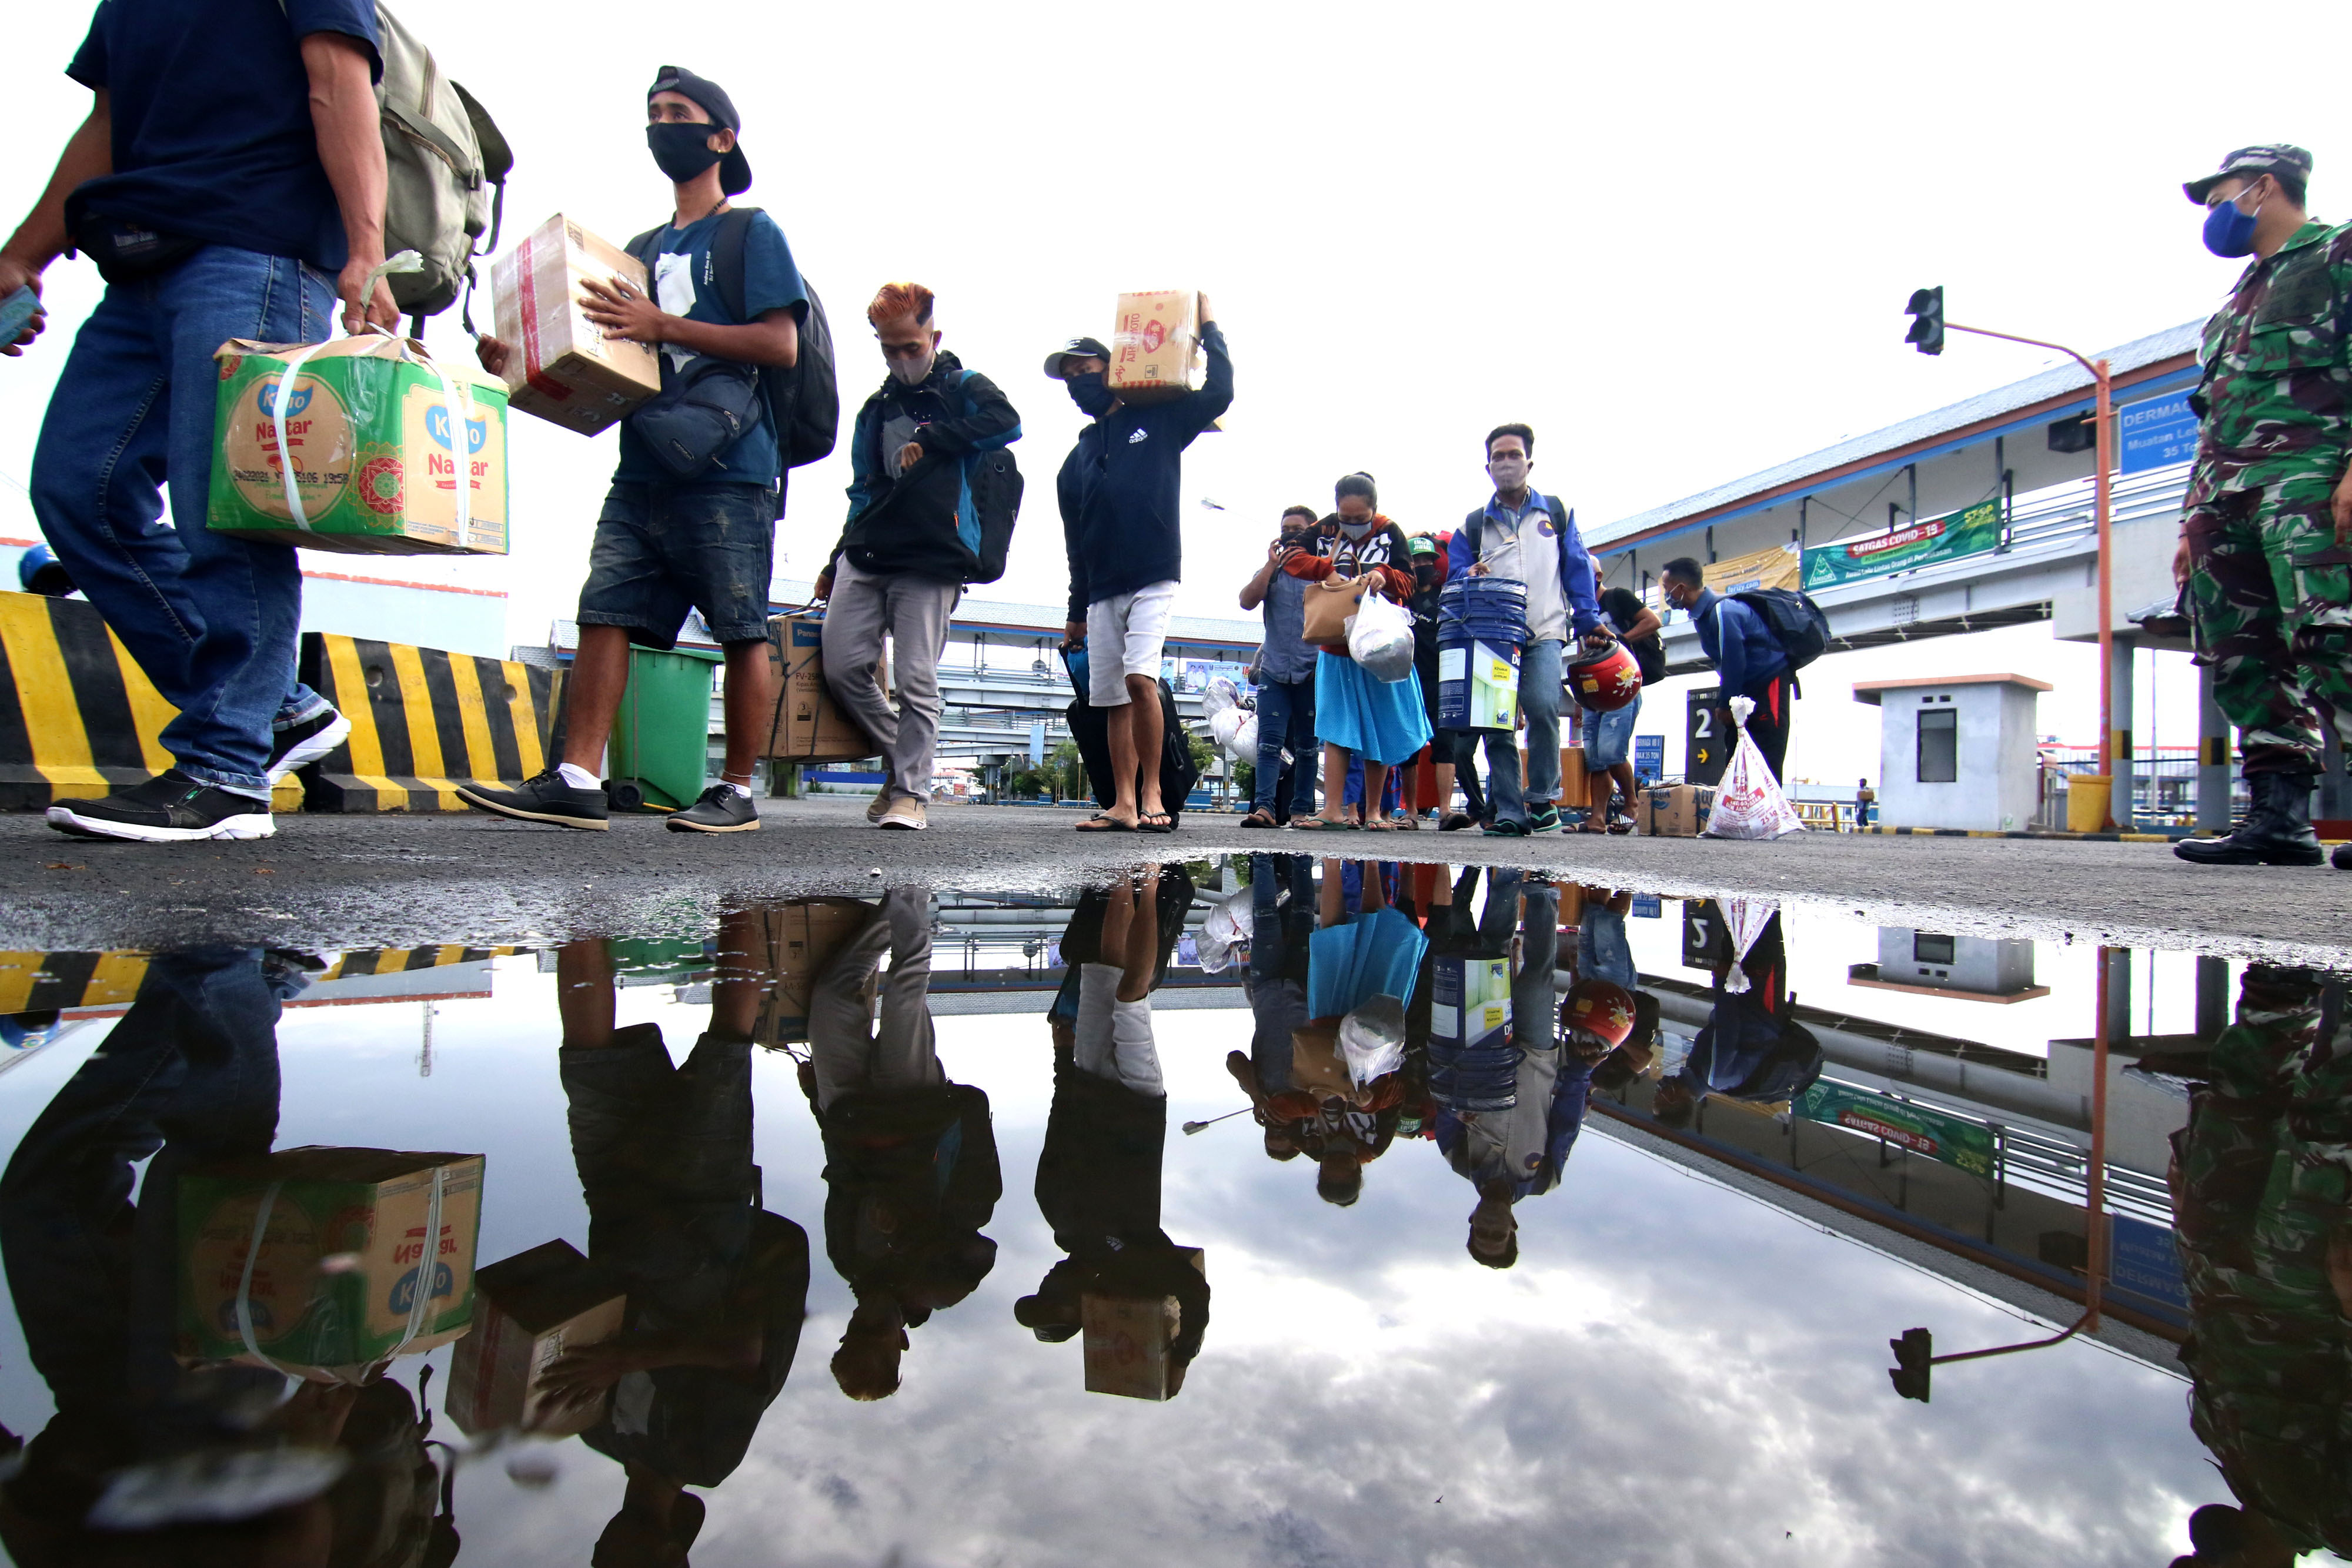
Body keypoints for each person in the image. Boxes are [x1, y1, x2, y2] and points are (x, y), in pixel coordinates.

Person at [8, 1, 388, 842]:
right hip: (138, 261)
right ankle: (273, 709)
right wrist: (20, 256)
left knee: (226, 509)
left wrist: (366, 247)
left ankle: (225, 768)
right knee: (80, 488)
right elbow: (107, 126)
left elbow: (339, 83)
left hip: (256, 251)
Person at [465, 66, 806, 835]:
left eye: (677, 113)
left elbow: (779, 343)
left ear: (720, 139)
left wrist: (664, 325)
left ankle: (738, 790)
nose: (661, 125)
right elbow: (604, 359)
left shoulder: (751, 232)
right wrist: (520, 357)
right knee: (605, 610)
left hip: (731, 469)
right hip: (644, 462)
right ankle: (578, 778)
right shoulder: (639, 249)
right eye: (653, 113)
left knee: (740, 625)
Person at [543, 914, 811, 1560]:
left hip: (619, 1212)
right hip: (703, 1219)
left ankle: (581, 903)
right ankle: (741, 895)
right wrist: (625, 1361)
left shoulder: (595, 1434)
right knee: (727, 1041)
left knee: (588, 1058)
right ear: (674, 1550)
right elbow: (741, 1352)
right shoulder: (707, 1456)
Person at [2167, 146, 2352, 870]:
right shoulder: (2232, 304)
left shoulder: (2339, 254)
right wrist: (2191, 519)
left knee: (2331, 635)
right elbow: (2211, 420)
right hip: (2224, 499)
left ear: (2263, 188)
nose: (2213, 216)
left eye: (2219, 198)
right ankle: (2279, 818)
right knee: (2241, 656)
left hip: (2309, 480)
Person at [813, 282, 1020, 831]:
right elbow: (862, 489)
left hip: (932, 558)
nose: (902, 359)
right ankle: (902, 759)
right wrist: (835, 559)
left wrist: (934, 440)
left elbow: (1009, 423)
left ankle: (910, 793)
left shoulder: (963, 387)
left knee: (915, 679)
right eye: (889, 348)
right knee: (841, 666)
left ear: (934, 337)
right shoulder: (876, 410)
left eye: (911, 346)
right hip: (868, 551)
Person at [796, 889, 1000, 1400]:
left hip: (850, 1113)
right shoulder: (941, 1285)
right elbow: (980, 1227)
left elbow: (840, 1173)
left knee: (830, 996)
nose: (862, 1325)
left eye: (851, 1335)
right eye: (874, 1337)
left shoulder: (848, 1258)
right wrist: (915, 1243)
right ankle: (911, 888)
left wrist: (818, 1105)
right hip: (917, 1113)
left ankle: (893, 910)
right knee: (905, 994)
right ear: (900, 1343)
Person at [1018, 869, 1211, 1396]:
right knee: (1130, 996)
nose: (1048, 1284)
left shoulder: (1053, 1208)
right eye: (1054, 1300)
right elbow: (1194, 1292)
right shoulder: (1133, 1265)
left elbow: (1059, 1127)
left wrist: (1062, 1060)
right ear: (1081, 1308)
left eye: (1039, 1292)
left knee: (1102, 972)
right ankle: (1149, 885)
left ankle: (1124, 876)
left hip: (1088, 1079)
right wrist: (1184, 1355)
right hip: (1138, 1103)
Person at [1047, 300, 1234, 834]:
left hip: (1154, 571)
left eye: (1087, 371)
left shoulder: (1158, 418)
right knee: (1109, 697)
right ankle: (1123, 803)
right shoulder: (1075, 459)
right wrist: (1075, 610)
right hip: (1101, 586)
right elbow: (1074, 543)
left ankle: (1154, 790)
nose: (1080, 383)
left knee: (1139, 679)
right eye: (1071, 379)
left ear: (1114, 370)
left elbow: (1219, 392)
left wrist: (1211, 330)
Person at [1445, 424, 1605, 836]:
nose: (1506, 463)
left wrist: (1588, 619)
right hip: (1492, 637)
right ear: (1487, 467)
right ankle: (1511, 811)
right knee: (1496, 722)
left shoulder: (1555, 513)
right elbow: (1455, 571)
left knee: (1541, 707)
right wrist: (1468, 573)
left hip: (1544, 629)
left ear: (1529, 462)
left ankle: (1542, 800)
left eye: (1513, 455)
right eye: (1498, 456)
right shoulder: (1474, 525)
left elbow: (1577, 568)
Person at [1284, 474, 1431, 830]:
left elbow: (1409, 581)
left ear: (1374, 511)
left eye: (1359, 518)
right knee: (1336, 727)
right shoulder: (1322, 530)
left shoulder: (1390, 531)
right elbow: (1289, 556)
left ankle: (1376, 812)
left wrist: (1384, 574)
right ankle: (1332, 809)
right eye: (1344, 518)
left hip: (1378, 645)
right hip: (1335, 644)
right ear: (1335, 509)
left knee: (1379, 726)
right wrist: (1326, 568)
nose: (1351, 525)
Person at [1659, 556, 1794, 783]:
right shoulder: (1704, 615)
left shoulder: (1724, 612)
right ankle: (1741, 817)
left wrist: (1724, 703)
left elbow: (1734, 658)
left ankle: (1768, 817)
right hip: (1745, 691)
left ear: (1681, 588)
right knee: (1737, 757)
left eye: (1666, 588)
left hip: (1768, 683)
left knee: (1766, 758)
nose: (1666, 595)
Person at [1237, 506, 1324, 828]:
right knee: (1269, 743)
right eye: (1285, 528)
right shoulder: (1271, 572)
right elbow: (1247, 600)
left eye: (1297, 529)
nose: (1290, 534)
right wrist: (1271, 565)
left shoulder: (1321, 569)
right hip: (1274, 669)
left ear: (1311, 532)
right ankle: (1265, 809)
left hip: (1312, 669)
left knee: (1307, 745)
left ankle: (1300, 812)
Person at [1581, 583, 1662, 834]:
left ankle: (1632, 803)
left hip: (1623, 684)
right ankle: (1597, 817)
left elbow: (1653, 621)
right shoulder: (1582, 608)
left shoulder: (1618, 597)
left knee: (1610, 751)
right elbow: (1582, 649)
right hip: (1593, 687)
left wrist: (1619, 642)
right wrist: (1579, 695)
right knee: (1594, 757)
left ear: (1596, 576)